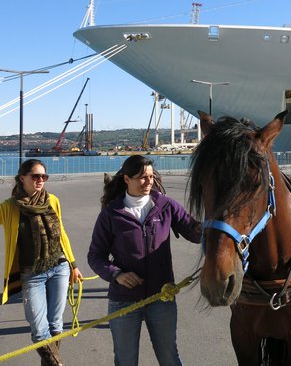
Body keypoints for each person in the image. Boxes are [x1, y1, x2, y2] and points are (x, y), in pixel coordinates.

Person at [87, 155, 201, 366]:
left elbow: (194, 232)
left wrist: (217, 227)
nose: (148, 182)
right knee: (126, 360)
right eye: (141, 177)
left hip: (162, 298)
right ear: (126, 179)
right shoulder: (111, 214)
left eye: (150, 176)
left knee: (169, 357)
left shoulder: (166, 206)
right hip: (123, 301)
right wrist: (117, 275)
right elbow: (95, 256)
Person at [0, 159, 83, 366]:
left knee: (55, 324)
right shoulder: (9, 207)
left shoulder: (52, 200)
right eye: (35, 176)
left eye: (43, 177)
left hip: (59, 267)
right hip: (32, 274)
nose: (40, 180)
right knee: (39, 330)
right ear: (22, 178)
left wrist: (73, 264)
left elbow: (61, 232)